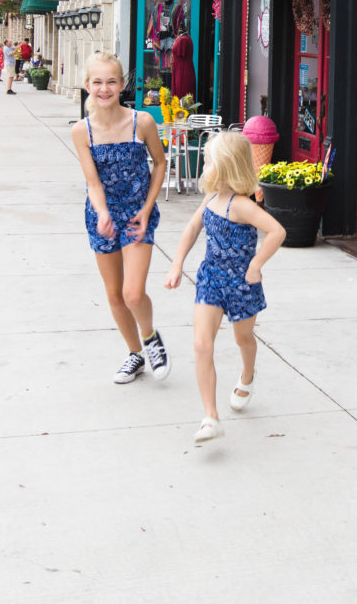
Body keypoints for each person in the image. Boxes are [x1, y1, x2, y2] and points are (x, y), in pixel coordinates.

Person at [165, 132, 286, 443]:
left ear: (225, 166)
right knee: (202, 345)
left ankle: (248, 376)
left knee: (242, 337)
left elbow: (277, 231)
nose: (204, 163)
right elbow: (193, 227)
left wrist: (256, 265)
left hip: (242, 283)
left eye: (207, 159)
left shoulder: (242, 205)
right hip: (211, 279)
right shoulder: (211, 198)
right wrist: (177, 264)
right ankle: (210, 417)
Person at [71, 52, 170, 384]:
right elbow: (93, 182)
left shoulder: (141, 122)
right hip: (102, 217)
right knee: (114, 294)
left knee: (132, 293)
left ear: (122, 84)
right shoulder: (81, 131)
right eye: (97, 82)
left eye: (111, 81)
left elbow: (160, 164)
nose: (104, 88)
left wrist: (147, 207)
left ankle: (150, 337)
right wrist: (101, 213)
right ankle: (135, 355)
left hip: (137, 216)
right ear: (87, 85)